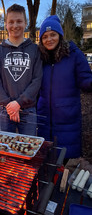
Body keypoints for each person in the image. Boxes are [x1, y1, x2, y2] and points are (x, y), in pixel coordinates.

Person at [37, 15, 92, 160]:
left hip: (68, 120)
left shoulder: (74, 55)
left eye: (53, 35)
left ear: (60, 35)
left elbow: (85, 79)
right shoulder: (40, 58)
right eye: (45, 36)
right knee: (46, 162)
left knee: (66, 162)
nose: (49, 39)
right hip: (44, 119)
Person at [0, 4, 43, 135]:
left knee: (28, 148)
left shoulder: (35, 50)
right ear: (6, 24)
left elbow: (37, 79)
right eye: (11, 22)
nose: (15, 25)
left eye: (19, 21)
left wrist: (19, 103)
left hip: (28, 109)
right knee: (7, 150)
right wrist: (10, 105)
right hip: (4, 110)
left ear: (25, 23)